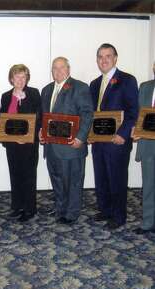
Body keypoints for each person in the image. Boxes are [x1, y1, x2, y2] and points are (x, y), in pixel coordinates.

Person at [90, 43, 138, 229]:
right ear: (97, 60)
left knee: (117, 178)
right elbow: (91, 113)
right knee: (101, 177)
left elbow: (134, 111)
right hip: (98, 141)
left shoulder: (127, 80)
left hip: (117, 142)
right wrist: (89, 134)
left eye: (108, 56)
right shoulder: (94, 84)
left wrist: (123, 134)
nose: (104, 60)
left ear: (115, 58)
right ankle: (106, 210)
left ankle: (118, 216)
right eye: (100, 57)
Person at [40, 57, 93, 224]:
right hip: (51, 147)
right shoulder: (46, 90)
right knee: (57, 180)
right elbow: (44, 116)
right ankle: (60, 209)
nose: (58, 71)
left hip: (72, 146)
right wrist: (42, 131)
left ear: (68, 69)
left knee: (73, 181)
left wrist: (81, 137)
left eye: (62, 67)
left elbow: (87, 114)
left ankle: (72, 213)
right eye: (55, 68)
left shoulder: (80, 87)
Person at [0, 64, 41, 222]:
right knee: (15, 174)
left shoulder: (34, 93)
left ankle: (30, 208)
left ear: (27, 78)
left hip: (29, 144)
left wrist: (23, 101)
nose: (20, 80)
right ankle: (17, 206)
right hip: (12, 144)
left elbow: (37, 118)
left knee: (29, 175)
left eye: (23, 76)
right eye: (17, 76)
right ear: (11, 79)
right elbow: (4, 119)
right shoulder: (5, 96)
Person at [132, 62, 155, 234]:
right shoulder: (145, 87)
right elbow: (139, 113)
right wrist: (136, 128)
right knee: (148, 185)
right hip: (148, 144)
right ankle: (148, 222)